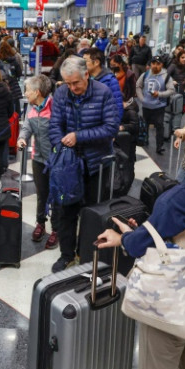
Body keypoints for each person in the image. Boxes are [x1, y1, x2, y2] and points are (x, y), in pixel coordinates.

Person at [97, 129, 185, 369]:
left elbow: (136, 245)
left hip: (174, 309)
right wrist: (148, 230)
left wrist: (122, 237)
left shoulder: (179, 198)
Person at [49, 56, 120, 272]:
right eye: (68, 83)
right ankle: (67, 255)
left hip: (95, 164)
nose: (72, 88)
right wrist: (61, 149)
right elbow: (54, 125)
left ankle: (87, 254)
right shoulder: (62, 93)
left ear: (86, 75)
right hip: (69, 166)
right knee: (65, 211)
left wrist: (79, 136)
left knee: (92, 213)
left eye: (75, 83)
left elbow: (110, 128)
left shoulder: (103, 92)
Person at [17, 75, 58, 249]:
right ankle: (40, 222)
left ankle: (56, 229)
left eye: (27, 90)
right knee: (41, 194)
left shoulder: (56, 107)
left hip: (56, 160)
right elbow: (26, 127)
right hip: (38, 158)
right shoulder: (32, 108)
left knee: (56, 195)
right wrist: (21, 138)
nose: (25, 93)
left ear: (37, 92)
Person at [136, 56, 176, 155]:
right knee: (145, 124)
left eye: (158, 64)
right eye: (153, 63)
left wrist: (159, 94)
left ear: (161, 65)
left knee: (159, 126)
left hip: (159, 107)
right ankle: (145, 140)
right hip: (146, 106)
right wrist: (142, 99)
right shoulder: (145, 75)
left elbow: (171, 90)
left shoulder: (166, 76)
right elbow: (138, 86)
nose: (155, 66)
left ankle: (159, 146)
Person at [84, 48, 123, 121]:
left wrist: (113, 125)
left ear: (96, 62)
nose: (83, 64)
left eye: (85, 61)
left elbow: (117, 106)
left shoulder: (110, 80)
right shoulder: (85, 78)